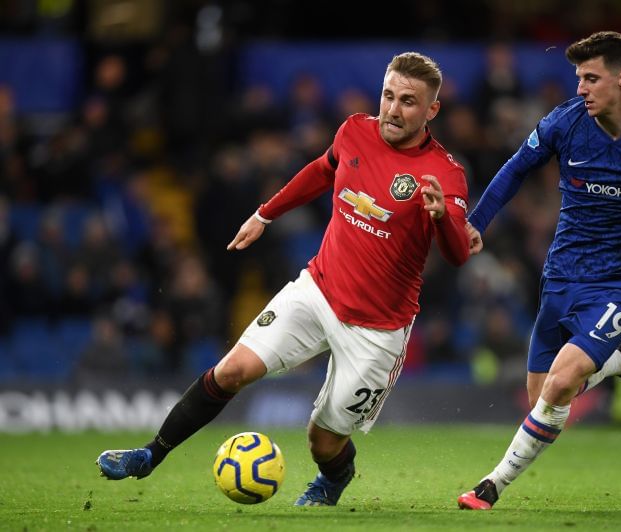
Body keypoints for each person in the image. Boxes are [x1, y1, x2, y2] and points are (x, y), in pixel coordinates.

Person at [96, 51, 470, 507]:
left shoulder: (444, 173)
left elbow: (456, 255)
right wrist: (264, 214)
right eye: (388, 95)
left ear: (432, 109)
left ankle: (335, 477)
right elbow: (322, 170)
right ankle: (150, 455)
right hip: (318, 291)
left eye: (408, 101)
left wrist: (443, 220)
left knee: (322, 442)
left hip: (377, 329)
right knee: (232, 370)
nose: (393, 109)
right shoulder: (354, 130)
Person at [457, 31, 621, 510]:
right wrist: (476, 223)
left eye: (591, 78)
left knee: (561, 384)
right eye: (578, 78)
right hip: (562, 275)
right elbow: (515, 169)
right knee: (543, 398)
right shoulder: (565, 122)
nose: (581, 88)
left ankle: (492, 485)